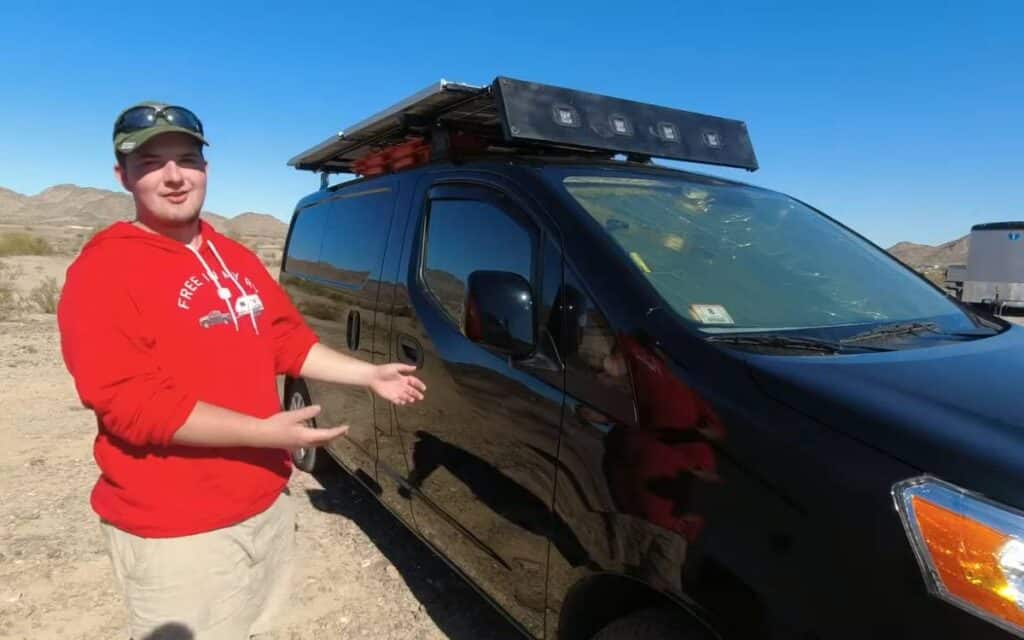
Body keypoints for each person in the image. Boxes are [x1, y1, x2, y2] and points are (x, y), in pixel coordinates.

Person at [57, 102, 427, 639]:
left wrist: (366, 375)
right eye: (152, 162)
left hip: (263, 502)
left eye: (187, 158)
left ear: (206, 168)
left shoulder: (234, 257)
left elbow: (284, 341)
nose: (175, 176)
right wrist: (263, 431)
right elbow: (131, 404)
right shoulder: (103, 270)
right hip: (178, 532)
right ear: (123, 176)